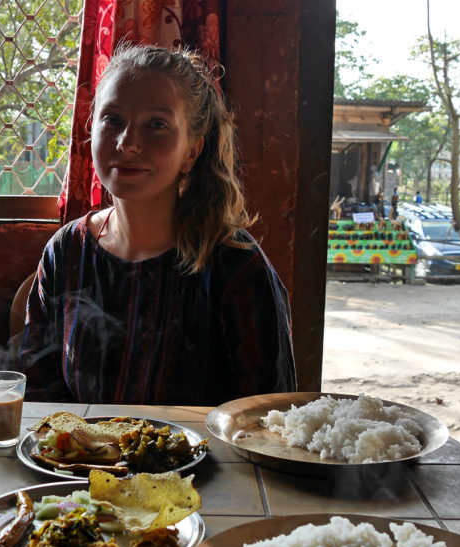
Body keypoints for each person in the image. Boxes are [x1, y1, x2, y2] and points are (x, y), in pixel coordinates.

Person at [20, 44, 296, 405]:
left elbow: (268, 414)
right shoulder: (66, 251)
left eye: (157, 125)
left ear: (192, 152)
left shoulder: (235, 264)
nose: (128, 143)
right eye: (113, 120)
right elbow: (39, 393)